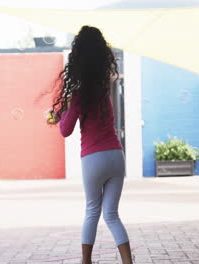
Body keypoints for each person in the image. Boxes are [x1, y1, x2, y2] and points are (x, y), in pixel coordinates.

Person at [48, 26, 133, 264]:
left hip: (93, 158)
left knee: (92, 211)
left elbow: (66, 130)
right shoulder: (104, 91)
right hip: (116, 156)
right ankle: (128, 262)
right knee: (112, 214)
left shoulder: (78, 94)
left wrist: (58, 116)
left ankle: (86, 262)